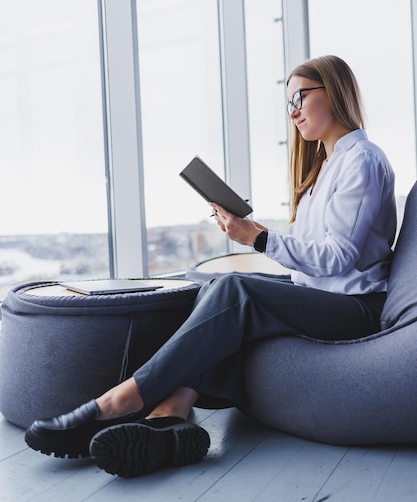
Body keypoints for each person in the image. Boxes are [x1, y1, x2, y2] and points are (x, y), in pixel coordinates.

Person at [25, 55, 396, 478]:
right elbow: (315, 253)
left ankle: (120, 400)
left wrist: (256, 238)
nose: (292, 110)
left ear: (335, 91)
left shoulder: (361, 160)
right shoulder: (324, 167)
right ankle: (169, 418)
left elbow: (340, 257)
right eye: (286, 102)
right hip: (323, 295)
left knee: (237, 291)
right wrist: (251, 229)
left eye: (300, 96)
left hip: (357, 307)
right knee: (217, 290)